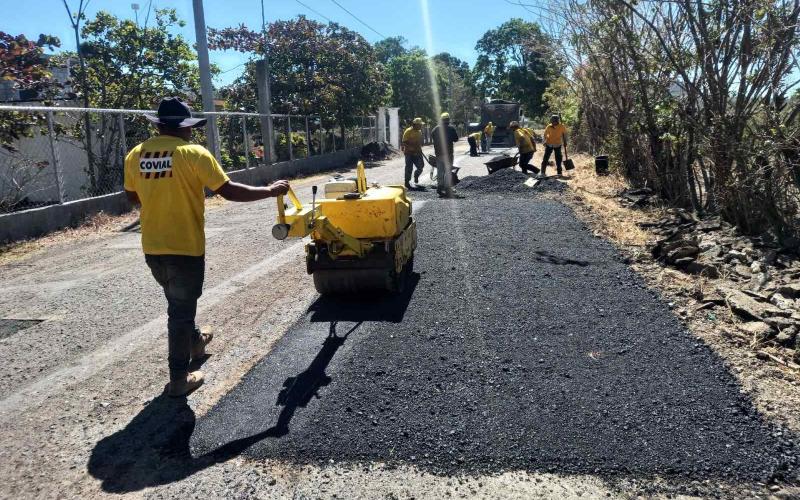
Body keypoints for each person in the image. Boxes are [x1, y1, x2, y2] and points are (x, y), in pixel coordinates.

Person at [124, 97, 290, 397]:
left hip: (152, 246)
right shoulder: (193, 153)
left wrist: (159, 192)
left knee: (179, 302)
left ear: (159, 126)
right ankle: (179, 379)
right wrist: (270, 190)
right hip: (184, 245)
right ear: (185, 128)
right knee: (179, 311)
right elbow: (228, 191)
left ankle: (197, 342)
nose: (192, 133)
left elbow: (132, 197)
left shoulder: (136, 154)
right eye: (190, 128)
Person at [431, 112, 459, 197]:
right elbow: (456, 139)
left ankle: (440, 187)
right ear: (448, 120)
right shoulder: (451, 128)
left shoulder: (435, 129)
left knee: (440, 171)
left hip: (439, 154)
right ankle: (447, 188)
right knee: (447, 171)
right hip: (448, 154)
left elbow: (432, 137)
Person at [401, 117, 425, 187]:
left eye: (421, 125)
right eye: (420, 125)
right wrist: (411, 147)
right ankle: (407, 182)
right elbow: (404, 142)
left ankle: (416, 175)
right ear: (415, 125)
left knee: (421, 166)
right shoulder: (408, 131)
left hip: (417, 152)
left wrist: (419, 149)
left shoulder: (419, 132)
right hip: (409, 153)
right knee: (409, 168)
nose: (421, 126)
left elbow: (419, 142)